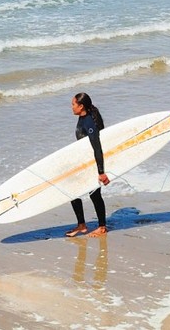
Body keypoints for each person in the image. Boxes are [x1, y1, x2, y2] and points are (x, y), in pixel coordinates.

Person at [65, 92, 110, 238]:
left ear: (81, 106)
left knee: (95, 195)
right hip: (85, 163)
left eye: (73, 104)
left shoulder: (89, 122)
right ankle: (82, 225)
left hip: (93, 164)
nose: (71, 107)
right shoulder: (82, 118)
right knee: (73, 192)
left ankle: (102, 227)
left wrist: (101, 172)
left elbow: (97, 147)